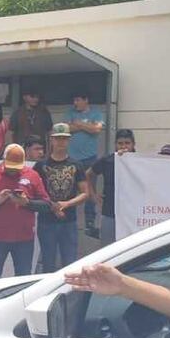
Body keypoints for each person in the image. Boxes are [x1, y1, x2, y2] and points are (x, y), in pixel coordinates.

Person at [0, 144, 51, 279]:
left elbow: (46, 205)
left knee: (23, 279)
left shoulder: (32, 175)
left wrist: (27, 203)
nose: (13, 171)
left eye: (17, 168)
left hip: (24, 239)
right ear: (3, 160)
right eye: (10, 167)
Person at [34, 124, 89, 273]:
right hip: (46, 221)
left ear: (69, 140)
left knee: (70, 263)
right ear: (52, 140)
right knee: (48, 263)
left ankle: (68, 293)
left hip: (69, 221)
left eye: (64, 139)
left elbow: (85, 193)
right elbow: (35, 192)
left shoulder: (76, 165)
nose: (60, 142)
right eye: (58, 139)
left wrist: (67, 203)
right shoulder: (40, 165)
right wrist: (52, 205)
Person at [86, 128, 136, 244]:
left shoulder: (140, 162)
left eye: (127, 143)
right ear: (115, 145)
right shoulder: (107, 161)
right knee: (108, 248)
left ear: (133, 144)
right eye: (120, 143)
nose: (124, 146)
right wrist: (93, 196)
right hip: (109, 212)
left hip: (132, 213)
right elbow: (88, 174)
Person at [67, 92, 105, 235]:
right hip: (72, 159)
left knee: (89, 189)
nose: (75, 103)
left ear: (85, 99)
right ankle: (69, 220)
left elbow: (96, 129)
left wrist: (79, 124)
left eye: (78, 99)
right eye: (74, 100)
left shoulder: (96, 114)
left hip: (89, 157)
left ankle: (89, 223)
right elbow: (67, 128)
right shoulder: (70, 113)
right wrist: (86, 126)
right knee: (71, 190)